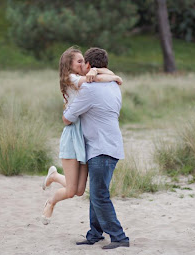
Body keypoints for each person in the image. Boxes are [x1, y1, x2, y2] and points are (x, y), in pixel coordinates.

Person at [41, 46, 122, 225]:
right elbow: (93, 81)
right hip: (72, 134)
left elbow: (98, 80)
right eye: (79, 61)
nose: (83, 64)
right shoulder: (71, 78)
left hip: (84, 136)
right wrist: (110, 75)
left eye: (83, 61)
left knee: (79, 190)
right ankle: (51, 202)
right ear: (69, 66)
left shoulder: (87, 78)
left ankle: (54, 176)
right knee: (71, 191)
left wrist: (100, 72)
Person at [62, 47, 130, 250]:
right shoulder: (114, 85)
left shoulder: (89, 90)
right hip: (112, 146)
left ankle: (119, 237)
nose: (82, 67)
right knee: (97, 192)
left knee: (99, 195)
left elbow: (67, 118)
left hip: (100, 148)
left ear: (90, 66)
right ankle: (94, 234)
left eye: (84, 63)